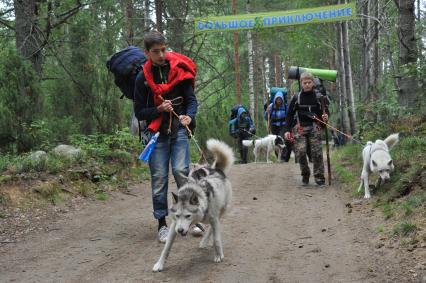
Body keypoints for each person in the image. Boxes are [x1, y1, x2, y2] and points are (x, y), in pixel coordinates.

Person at [133, 30, 199, 243]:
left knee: (181, 171)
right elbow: (139, 112)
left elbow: (191, 100)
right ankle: (162, 224)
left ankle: (192, 217)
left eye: (163, 49)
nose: (161, 55)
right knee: (159, 179)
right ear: (147, 53)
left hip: (179, 130)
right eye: (156, 52)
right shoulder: (142, 78)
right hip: (155, 134)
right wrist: (159, 109)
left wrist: (189, 116)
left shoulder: (179, 70)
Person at [284, 72, 329, 186]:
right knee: (301, 152)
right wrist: (287, 130)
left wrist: (325, 117)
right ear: (301, 83)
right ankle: (305, 175)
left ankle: (319, 178)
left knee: (317, 153)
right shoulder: (296, 97)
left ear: (313, 83)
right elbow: (289, 114)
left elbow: (325, 113)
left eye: (309, 82)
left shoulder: (319, 97)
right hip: (300, 128)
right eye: (305, 83)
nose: (307, 84)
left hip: (315, 127)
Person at [264, 91, 293, 162]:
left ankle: (283, 157)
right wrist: (267, 112)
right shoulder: (271, 106)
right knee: (275, 142)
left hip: (283, 125)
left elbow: (289, 116)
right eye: (277, 99)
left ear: (282, 99)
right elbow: (266, 117)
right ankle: (278, 157)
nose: (279, 101)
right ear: (275, 99)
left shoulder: (286, 107)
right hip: (274, 126)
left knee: (282, 139)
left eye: (280, 99)